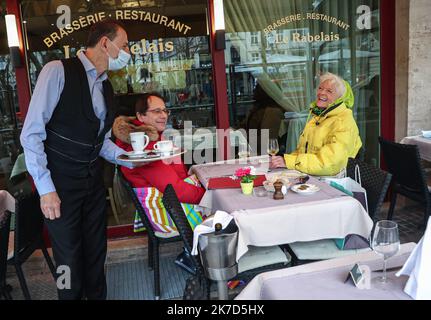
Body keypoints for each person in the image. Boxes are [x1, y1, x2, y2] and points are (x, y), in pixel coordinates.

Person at [20, 20, 147, 300]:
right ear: (105, 43)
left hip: (92, 185)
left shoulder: (106, 88)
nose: (128, 52)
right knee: (69, 261)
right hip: (60, 186)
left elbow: (99, 141)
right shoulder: (57, 71)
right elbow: (31, 135)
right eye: (124, 45)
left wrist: (129, 158)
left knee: (96, 253)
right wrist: (46, 190)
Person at [113, 93, 206, 234]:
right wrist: (208, 195)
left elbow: (177, 176)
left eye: (165, 110)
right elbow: (175, 190)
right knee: (228, 214)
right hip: (170, 215)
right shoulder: (143, 149)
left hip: (171, 205)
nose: (164, 115)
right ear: (140, 116)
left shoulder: (152, 138)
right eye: (157, 111)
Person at [270, 73, 362, 176]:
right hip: (311, 176)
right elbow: (302, 152)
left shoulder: (343, 123)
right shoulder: (318, 117)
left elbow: (329, 164)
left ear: (339, 99)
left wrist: (290, 162)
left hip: (332, 183)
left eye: (329, 91)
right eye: (320, 88)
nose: (321, 93)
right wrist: (284, 160)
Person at [240, 82, 285, 155]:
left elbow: (267, 141)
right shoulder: (258, 109)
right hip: (252, 150)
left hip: (259, 154)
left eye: (257, 88)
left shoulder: (272, 112)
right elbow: (244, 126)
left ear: (266, 91)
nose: (254, 90)